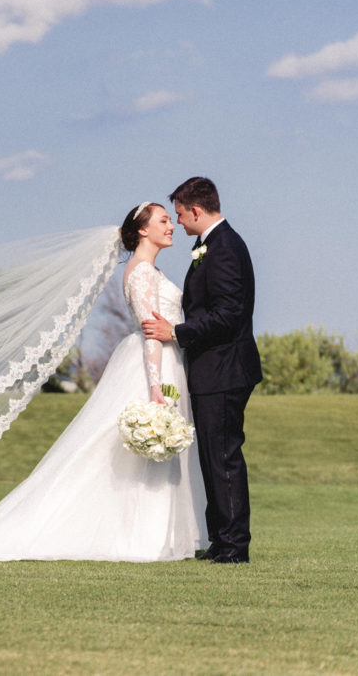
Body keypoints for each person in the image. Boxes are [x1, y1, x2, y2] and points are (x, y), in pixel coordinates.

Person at [0, 202, 206, 562]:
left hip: (167, 363)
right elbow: (151, 333)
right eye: (163, 220)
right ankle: (144, 538)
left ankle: (158, 535)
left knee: (152, 453)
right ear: (143, 229)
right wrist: (156, 387)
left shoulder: (150, 270)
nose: (171, 226)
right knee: (137, 449)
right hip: (151, 366)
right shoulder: (141, 273)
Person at [142, 177, 261, 564]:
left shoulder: (224, 248)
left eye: (178, 213)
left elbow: (228, 315)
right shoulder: (212, 245)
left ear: (196, 210)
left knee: (223, 456)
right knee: (213, 456)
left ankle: (234, 546)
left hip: (224, 369)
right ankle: (222, 539)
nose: (177, 222)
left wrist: (175, 332)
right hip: (214, 369)